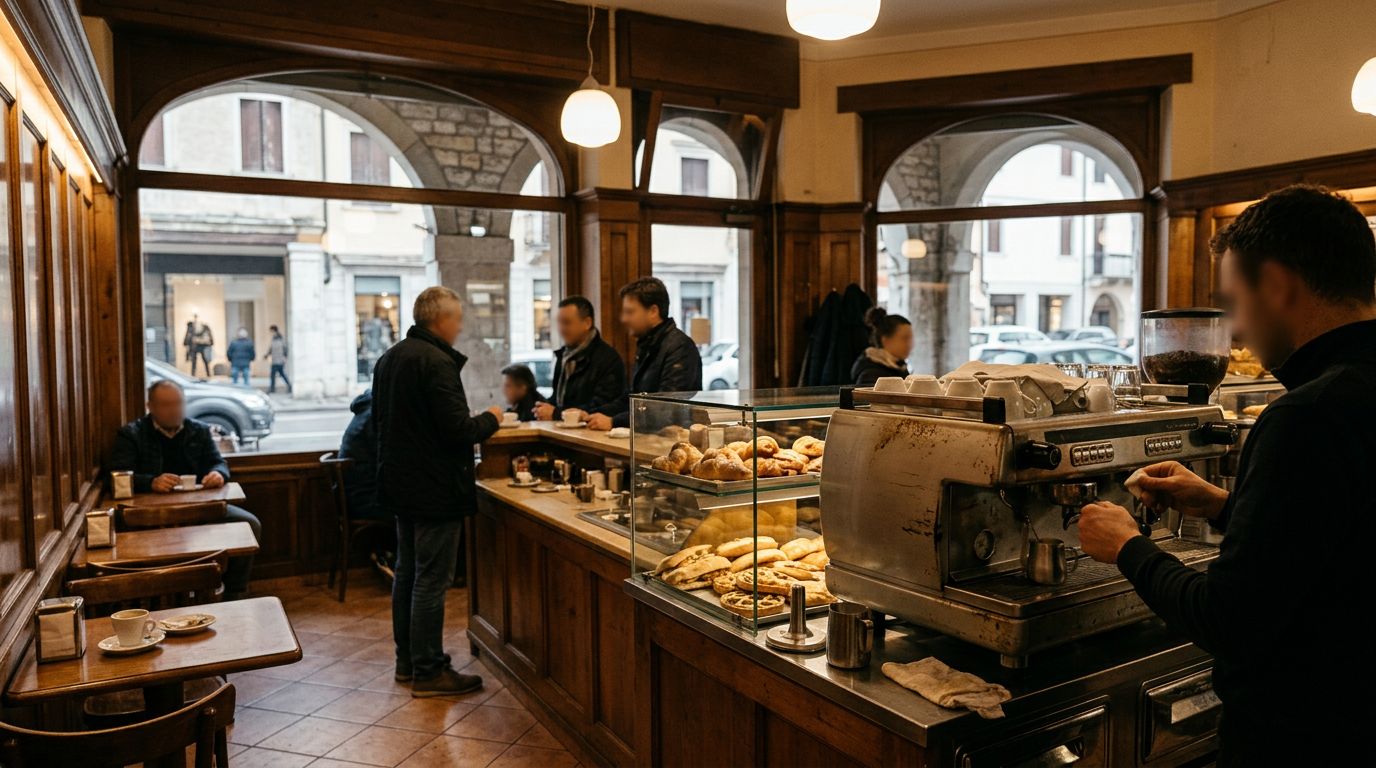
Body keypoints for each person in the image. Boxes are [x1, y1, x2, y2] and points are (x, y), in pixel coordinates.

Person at [1076, 185, 1376, 766]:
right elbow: (1335, 538)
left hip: (1303, 738)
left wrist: (1128, 546)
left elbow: (1229, 620)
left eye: (1236, 301)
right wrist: (1223, 504)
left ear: (1278, 285)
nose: (1236, 330)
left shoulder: (1306, 416)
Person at [373, 286, 502, 697]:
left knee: (408, 575)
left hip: (401, 484)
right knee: (430, 580)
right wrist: (493, 418)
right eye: (457, 319)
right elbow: (458, 430)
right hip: (434, 488)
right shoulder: (436, 361)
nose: (459, 327)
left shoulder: (390, 357)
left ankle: (408, 663)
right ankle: (429, 672)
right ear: (442, 319)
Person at [109, 380, 263, 600]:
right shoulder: (132, 434)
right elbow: (117, 475)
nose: (174, 410)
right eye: (166, 405)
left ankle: (234, 593)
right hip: (150, 516)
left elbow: (218, 462)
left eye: (178, 403)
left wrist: (218, 473)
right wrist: (150, 482)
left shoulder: (198, 430)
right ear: (150, 406)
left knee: (249, 524)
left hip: (200, 508)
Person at [587, 277, 701, 431]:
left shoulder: (680, 347)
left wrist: (614, 421)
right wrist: (591, 414)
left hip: (672, 440)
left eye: (630, 312)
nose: (624, 319)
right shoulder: (648, 344)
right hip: (650, 438)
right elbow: (632, 399)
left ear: (653, 311)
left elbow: (668, 408)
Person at [533, 296, 626, 422]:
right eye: (559, 323)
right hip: (563, 429)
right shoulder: (563, 356)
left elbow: (603, 406)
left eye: (566, 322)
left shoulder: (608, 359)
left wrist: (557, 414)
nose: (561, 329)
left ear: (587, 323)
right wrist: (541, 409)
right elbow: (558, 400)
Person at [850, 306, 912, 386]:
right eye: (905, 338)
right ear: (885, 340)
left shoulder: (898, 366)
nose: (910, 344)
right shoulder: (871, 375)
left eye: (911, 339)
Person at [265, 325, 291, 394]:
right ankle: (288, 386)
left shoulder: (281, 338)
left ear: (274, 330)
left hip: (279, 359)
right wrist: (267, 355)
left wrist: (285, 357)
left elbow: (285, 348)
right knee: (279, 374)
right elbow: (271, 348)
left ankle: (273, 388)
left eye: (271, 331)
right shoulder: (273, 339)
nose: (270, 333)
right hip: (275, 359)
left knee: (276, 374)